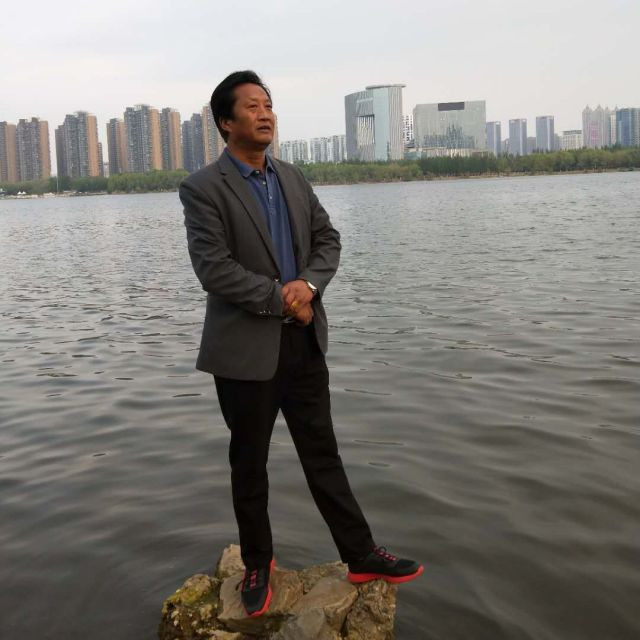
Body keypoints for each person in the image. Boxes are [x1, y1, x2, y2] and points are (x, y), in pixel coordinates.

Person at [179, 70, 423, 618]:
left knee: (323, 454)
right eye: (252, 106)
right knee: (249, 463)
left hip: (304, 342)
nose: (265, 113)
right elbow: (214, 269)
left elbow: (327, 240)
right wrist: (282, 299)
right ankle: (257, 565)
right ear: (226, 122)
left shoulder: (292, 177)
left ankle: (360, 554)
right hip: (246, 353)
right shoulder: (203, 188)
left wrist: (309, 286)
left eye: (269, 104)